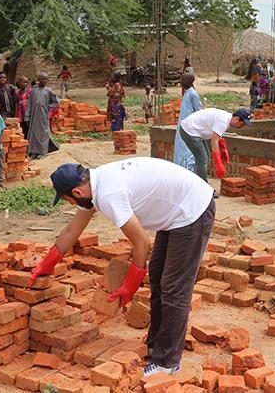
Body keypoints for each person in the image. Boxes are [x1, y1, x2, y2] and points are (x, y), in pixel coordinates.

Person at [31, 157, 215, 377]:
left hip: (192, 210)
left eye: (67, 200)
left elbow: (142, 243)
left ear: (77, 192)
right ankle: (155, 346)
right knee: (158, 278)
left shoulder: (108, 195)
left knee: (174, 289)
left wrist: (130, 285)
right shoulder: (95, 184)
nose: (70, 204)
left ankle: (167, 363)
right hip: (175, 210)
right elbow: (72, 230)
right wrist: (45, 266)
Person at [178, 108, 251, 182]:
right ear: (237, 118)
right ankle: (201, 184)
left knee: (205, 156)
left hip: (195, 130)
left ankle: (199, 179)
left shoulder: (226, 118)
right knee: (202, 158)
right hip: (189, 130)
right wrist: (217, 161)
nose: (242, 126)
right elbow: (214, 140)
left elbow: (217, 135)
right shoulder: (223, 121)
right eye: (242, 124)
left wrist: (222, 148)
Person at [26, 73, 59, 159]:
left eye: (46, 79)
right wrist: (27, 116)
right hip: (34, 116)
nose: (45, 81)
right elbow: (29, 104)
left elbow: (56, 102)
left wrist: (48, 107)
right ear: (38, 80)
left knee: (43, 133)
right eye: (43, 79)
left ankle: (43, 152)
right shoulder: (33, 91)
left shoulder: (48, 91)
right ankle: (33, 152)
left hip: (43, 116)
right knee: (34, 134)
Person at [173, 75, 203, 172]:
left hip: (189, 127)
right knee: (180, 148)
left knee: (187, 149)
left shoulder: (193, 94)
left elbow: (199, 110)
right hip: (183, 124)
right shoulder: (187, 93)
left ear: (190, 81)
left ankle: (187, 169)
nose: (181, 81)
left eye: (183, 79)